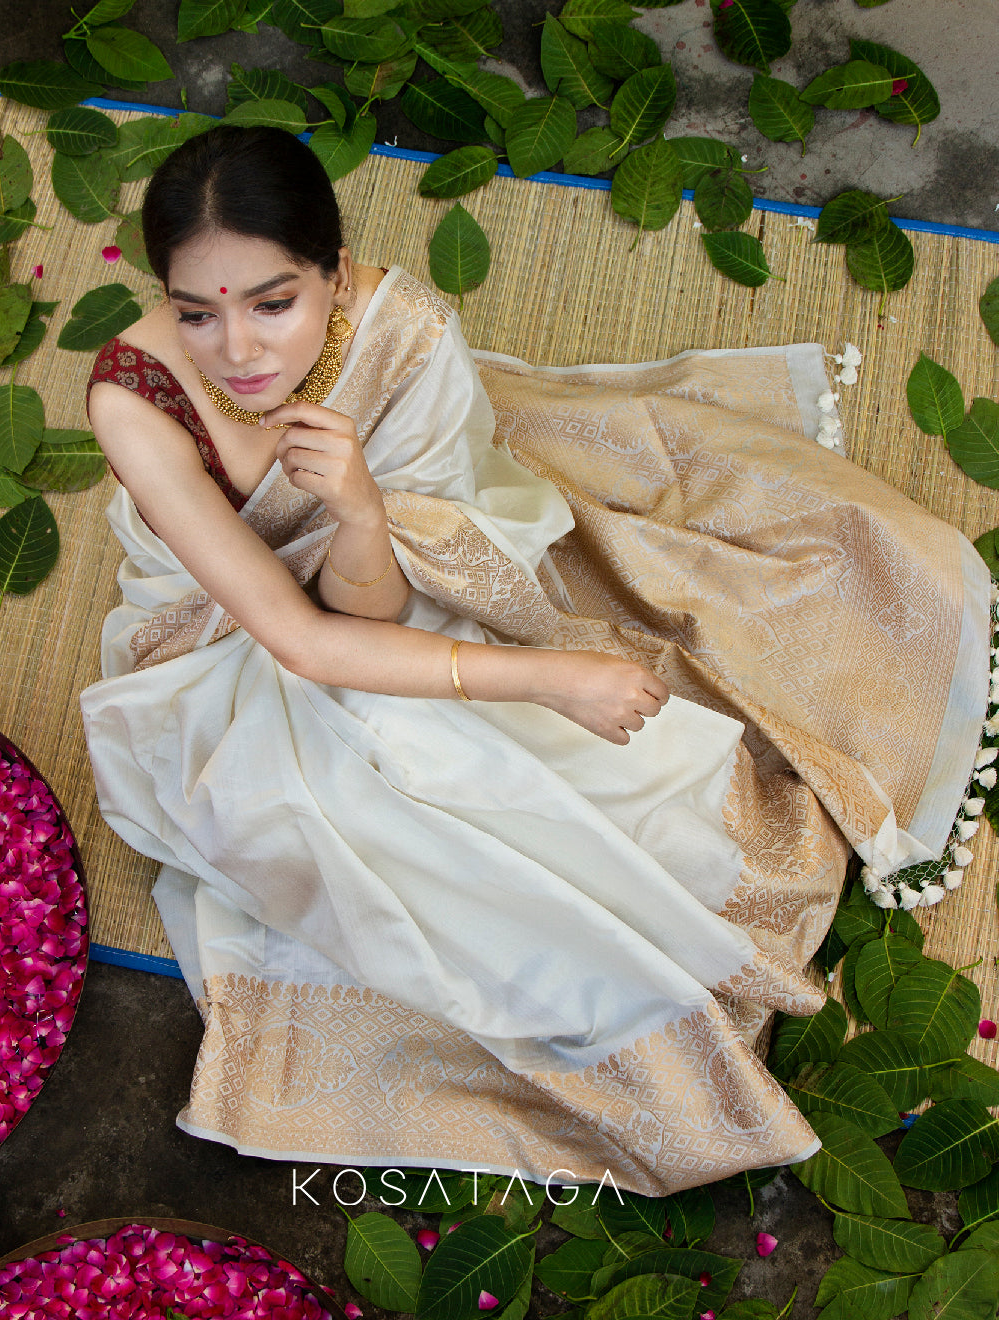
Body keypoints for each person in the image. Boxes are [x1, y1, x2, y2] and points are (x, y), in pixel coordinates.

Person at [80, 126, 989, 1194]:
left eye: (274, 303)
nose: (237, 350)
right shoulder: (136, 397)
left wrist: (364, 509)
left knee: (654, 688)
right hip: (226, 645)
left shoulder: (398, 331)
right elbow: (309, 642)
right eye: (199, 311)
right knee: (408, 788)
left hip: (385, 589)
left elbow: (380, 597)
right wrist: (554, 677)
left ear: (333, 272)